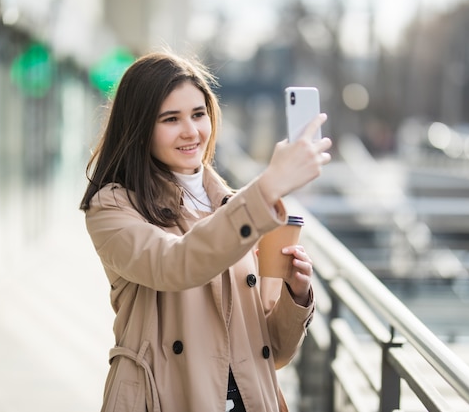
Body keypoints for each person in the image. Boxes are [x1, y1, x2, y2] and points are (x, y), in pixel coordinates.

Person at [79, 50, 332, 412]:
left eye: (199, 114)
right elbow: (174, 264)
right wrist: (267, 188)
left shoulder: (235, 208)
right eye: (170, 119)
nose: (191, 131)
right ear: (139, 127)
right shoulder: (113, 206)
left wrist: (297, 293)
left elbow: (273, 352)